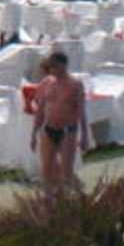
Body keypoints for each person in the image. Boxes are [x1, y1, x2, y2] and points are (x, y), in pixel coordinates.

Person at [29, 51, 89, 193]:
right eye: (50, 67)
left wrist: (84, 135)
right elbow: (40, 109)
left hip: (67, 130)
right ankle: (49, 200)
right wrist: (33, 133)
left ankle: (77, 195)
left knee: (66, 171)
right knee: (47, 170)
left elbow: (81, 111)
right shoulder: (47, 83)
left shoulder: (75, 85)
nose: (52, 70)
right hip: (49, 129)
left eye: (54, 66)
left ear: (64, 65)